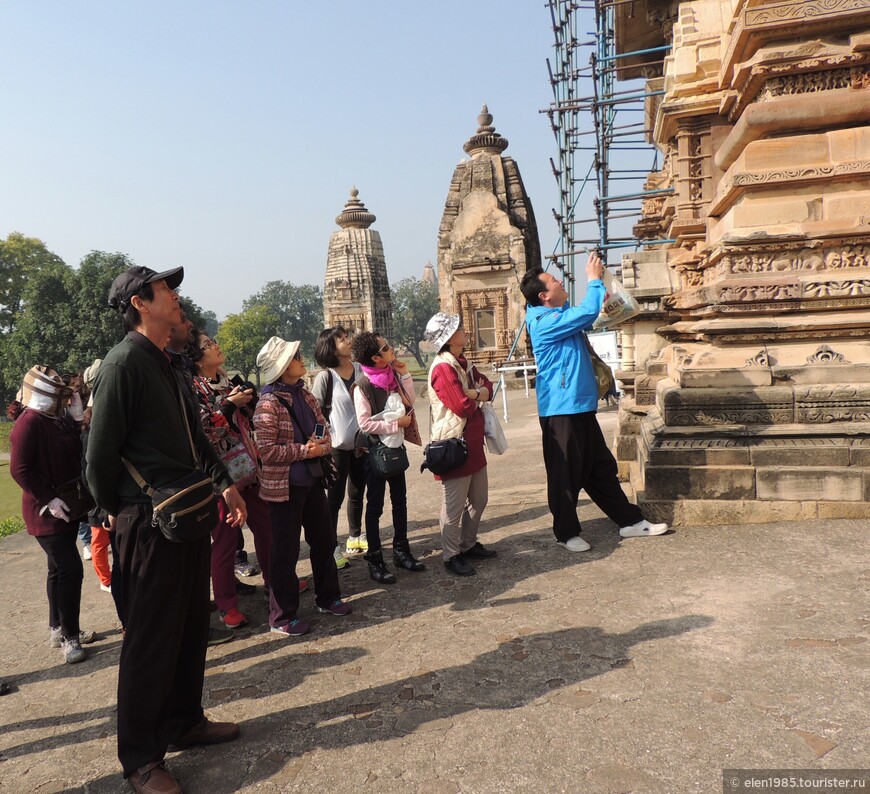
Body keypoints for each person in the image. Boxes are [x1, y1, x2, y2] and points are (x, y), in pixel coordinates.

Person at [87, 265, 247, 794]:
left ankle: (184, 721)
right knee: (150, 641)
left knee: (188, 627)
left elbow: (194, 437)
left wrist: (223, 482)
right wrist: (125, 513)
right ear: (140, 302)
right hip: (147, 521)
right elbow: (98, 459)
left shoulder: (168, 362)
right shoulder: (123, 364)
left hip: (185, 513)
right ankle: (140, 759)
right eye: (166, 290)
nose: (177, 298)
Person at [520, 252, 668, 552]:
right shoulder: (543, 322)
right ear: (544, 295)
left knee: (599, 468)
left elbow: (590, 315)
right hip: (561, 409)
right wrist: (593, 280)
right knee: (565, 473)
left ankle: (629, 521)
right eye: (554, 281)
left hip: (580, 406)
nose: (561, 281)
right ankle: (565, 532)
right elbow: (586, 312)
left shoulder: (558, 317)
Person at [253, 336, 352, 638]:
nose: (300, 359)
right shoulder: (268, 403)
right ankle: (281, 615)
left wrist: (322, 445)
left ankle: (328, 596)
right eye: (294, 356)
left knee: (323, 540)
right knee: (285, 550)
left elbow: (324, 426)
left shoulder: (305, 395)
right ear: (283, 367)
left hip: (310, 480)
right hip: (285, 487)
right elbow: (267, 450)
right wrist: (305, 451)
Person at [187, 330, 275, 630]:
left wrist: (249, 401)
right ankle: (227, 605)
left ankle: (275, 584)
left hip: (248, 467)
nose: (216, 346)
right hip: (219, 477)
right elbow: (203, 431)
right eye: (209, 345)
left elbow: (249, 420)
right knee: (224, 543)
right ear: (196, 357)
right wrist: (228, 405)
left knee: (266, 528)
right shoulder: (192, 388)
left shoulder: (227, 380)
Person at [10, 365, 97, 664]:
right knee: (71, 569)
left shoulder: (54, 418)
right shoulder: (29, 422)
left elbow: (71, 451)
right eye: (56, 384)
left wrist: (75, 420)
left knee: (57, 570)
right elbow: (19, 469)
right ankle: (69, 637)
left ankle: (57, 627)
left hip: (66, 505)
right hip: (45, 511)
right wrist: (49, 498)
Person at [423, 313, 497, 576]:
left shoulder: (462, 363)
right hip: (454, 445)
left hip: (473, 444)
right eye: (459, 329)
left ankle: (467, 544)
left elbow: (488, 386)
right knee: (453, 506)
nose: (465, 331)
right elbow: (462, 406)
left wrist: (475, 391)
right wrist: (478, 395)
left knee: (479, 499)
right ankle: (451, 553)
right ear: (448, 338)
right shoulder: (443, 368)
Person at [351, 331, 425, 584]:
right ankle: (374, 558)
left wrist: (404, 374)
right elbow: (364, 424)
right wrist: (396, 425)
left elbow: (409, 403)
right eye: (385, 347)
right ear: (375, 357)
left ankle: (401, 550)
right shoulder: (362, 386)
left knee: (400, 500)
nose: (391, 348)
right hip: (373, 452)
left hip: (393, 449)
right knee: (375, 507)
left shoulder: (392, 375)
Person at [312, 326, 366, 564]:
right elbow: (314, 412)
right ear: (331, 348)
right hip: (336, 446)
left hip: (362, 443)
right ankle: (331, 545)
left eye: (346, 337)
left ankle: (354, 535)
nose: (348, 341)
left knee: (357, 492)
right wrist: (319, 443)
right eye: (342, 339)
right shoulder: (326, 377)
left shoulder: (361, 370)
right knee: (333, 498)